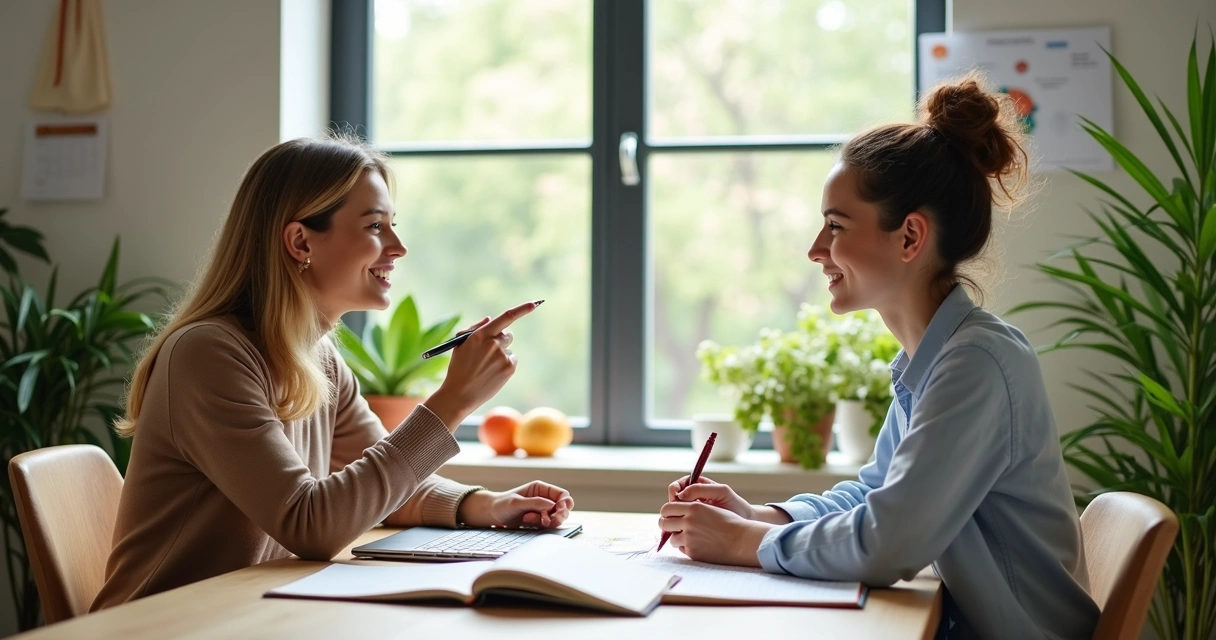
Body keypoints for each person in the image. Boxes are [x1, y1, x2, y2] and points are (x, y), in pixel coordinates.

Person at [657, 73, 1100, 640]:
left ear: (910, 238)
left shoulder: (977, 364)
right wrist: (762, 517)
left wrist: (744, 544)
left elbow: (889, 543)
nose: (816, 250)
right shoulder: (937, 359)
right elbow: (875, 493)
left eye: (836, 226)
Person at [92, 136, 574, 610]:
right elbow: (310, 524)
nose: (399, 247)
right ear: (301, 241)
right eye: (374, 227)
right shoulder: (208, 355)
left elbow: (385, 486)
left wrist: (487, 505)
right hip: (159, 626)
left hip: (248, 616)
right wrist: (452, 403)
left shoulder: (318, 357)